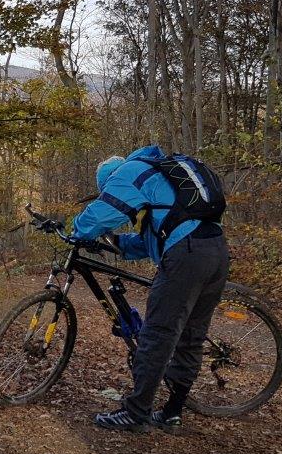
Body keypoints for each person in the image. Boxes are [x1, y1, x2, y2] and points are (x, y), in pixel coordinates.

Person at [70, 145, 229, 432]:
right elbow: (153, 239)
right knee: (191, 336)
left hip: (188, 255)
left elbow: (100, 214)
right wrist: (117, 244)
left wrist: (75, 231)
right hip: (215, 250)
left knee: (157, 334)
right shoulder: (161, 174)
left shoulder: (128, 172)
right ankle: (171, 412)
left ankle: (136, 412)